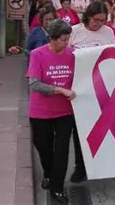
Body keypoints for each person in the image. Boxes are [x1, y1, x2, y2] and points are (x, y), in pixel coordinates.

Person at [26, 19, 76, 203]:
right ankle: (48, 173)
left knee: (62, 150)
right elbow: (35, 84)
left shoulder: (73, 54)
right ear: (52, 39)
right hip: (41, 111)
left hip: (65, 111)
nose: (66, 43)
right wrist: (60, 90)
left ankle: (57, 187)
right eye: (63, 40)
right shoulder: (38, 54)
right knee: (44, 148)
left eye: (68, 39)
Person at [68, 2, 115, 183]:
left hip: (101, 87)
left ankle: (99, 164)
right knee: (79, 129)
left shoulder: (108, 32)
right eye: (96, 20)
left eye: (103, 20)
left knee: (101, 128)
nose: (99, 24)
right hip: (79, 87)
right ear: (88, 16)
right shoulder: (75, 31)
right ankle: (80, 167)